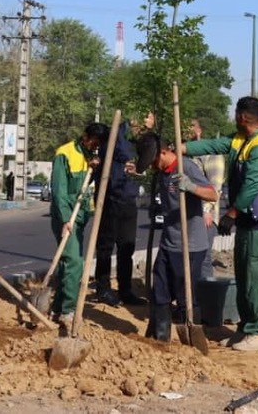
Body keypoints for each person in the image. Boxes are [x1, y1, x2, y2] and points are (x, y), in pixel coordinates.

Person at [183, 96, 258, 352]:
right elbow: (213, 145)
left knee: (257, 279)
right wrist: (181, 147)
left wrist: (231, 214)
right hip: (249, 222)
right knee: (244, 276)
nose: (233, 118)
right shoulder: (241, 140)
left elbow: (252, 184)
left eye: (235, 114)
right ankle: (245, 328)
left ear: (243, 117)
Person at [142, 136, 218, 341]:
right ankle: (160, 337)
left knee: (186, 296)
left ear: (164, 153)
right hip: (169, 242)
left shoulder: (187, 167)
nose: (152, 167)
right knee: (159, 290)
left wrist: (192, 188)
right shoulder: (161, 174)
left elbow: (213, 195)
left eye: (153, 161)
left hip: (190, 245)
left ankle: (191, 340)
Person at [49, 122, 110, 324]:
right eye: (93, 142)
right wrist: (66, 219)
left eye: (98, 144)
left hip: (81, 215)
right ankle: (68, 311)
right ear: (85, 136)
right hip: (65, 217)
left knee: (68, 264)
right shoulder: (64, 154)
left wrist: (93, 170)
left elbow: (84, 186)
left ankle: (56, 309)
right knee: (74, 262)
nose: (95, 147)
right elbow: (59, 192)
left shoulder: (91, 156)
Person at [93, 112, 155, 307]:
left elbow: (142, 162)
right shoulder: (118, 134)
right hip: (110, 197)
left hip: (128, 198)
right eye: (147, 120)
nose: (149, 125)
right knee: (105, 246)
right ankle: (103, 288)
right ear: (137, 119)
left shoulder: (138, 139)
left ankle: (125, 290)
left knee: (127, 247)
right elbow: (124, 155)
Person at [188, 117, 226, 280]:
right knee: (189, 258)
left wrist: (207, 210)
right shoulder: (185, 155)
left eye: (189, 128)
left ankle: (205, 298)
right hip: (188, 215)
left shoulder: (211, 155)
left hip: (204, 216)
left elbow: (215, 187)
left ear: (198, 131)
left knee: (202, 258)